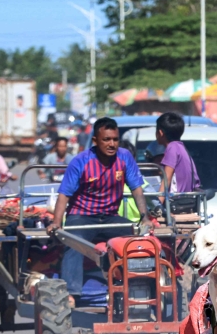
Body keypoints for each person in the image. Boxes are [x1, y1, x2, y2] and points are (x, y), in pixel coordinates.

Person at [46, 117, 148, 306]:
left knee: (137, 242)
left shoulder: (125, 157)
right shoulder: (81, 161)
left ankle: (138, 288)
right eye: (106, 140)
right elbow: (64, 194)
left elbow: (136, 189)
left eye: (115, 139)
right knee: (73, 242)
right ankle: (72, 294)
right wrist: (57, 222)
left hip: (110, 217)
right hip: (82, 216)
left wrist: (145, 218)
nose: (112, 144)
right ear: (95, 141)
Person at [155, 112, 200, 194]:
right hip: (186, 201)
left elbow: (166, 180)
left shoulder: (172, 148)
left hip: (176, 202)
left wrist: (158, 204)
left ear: (160, 133)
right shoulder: (181, 148)